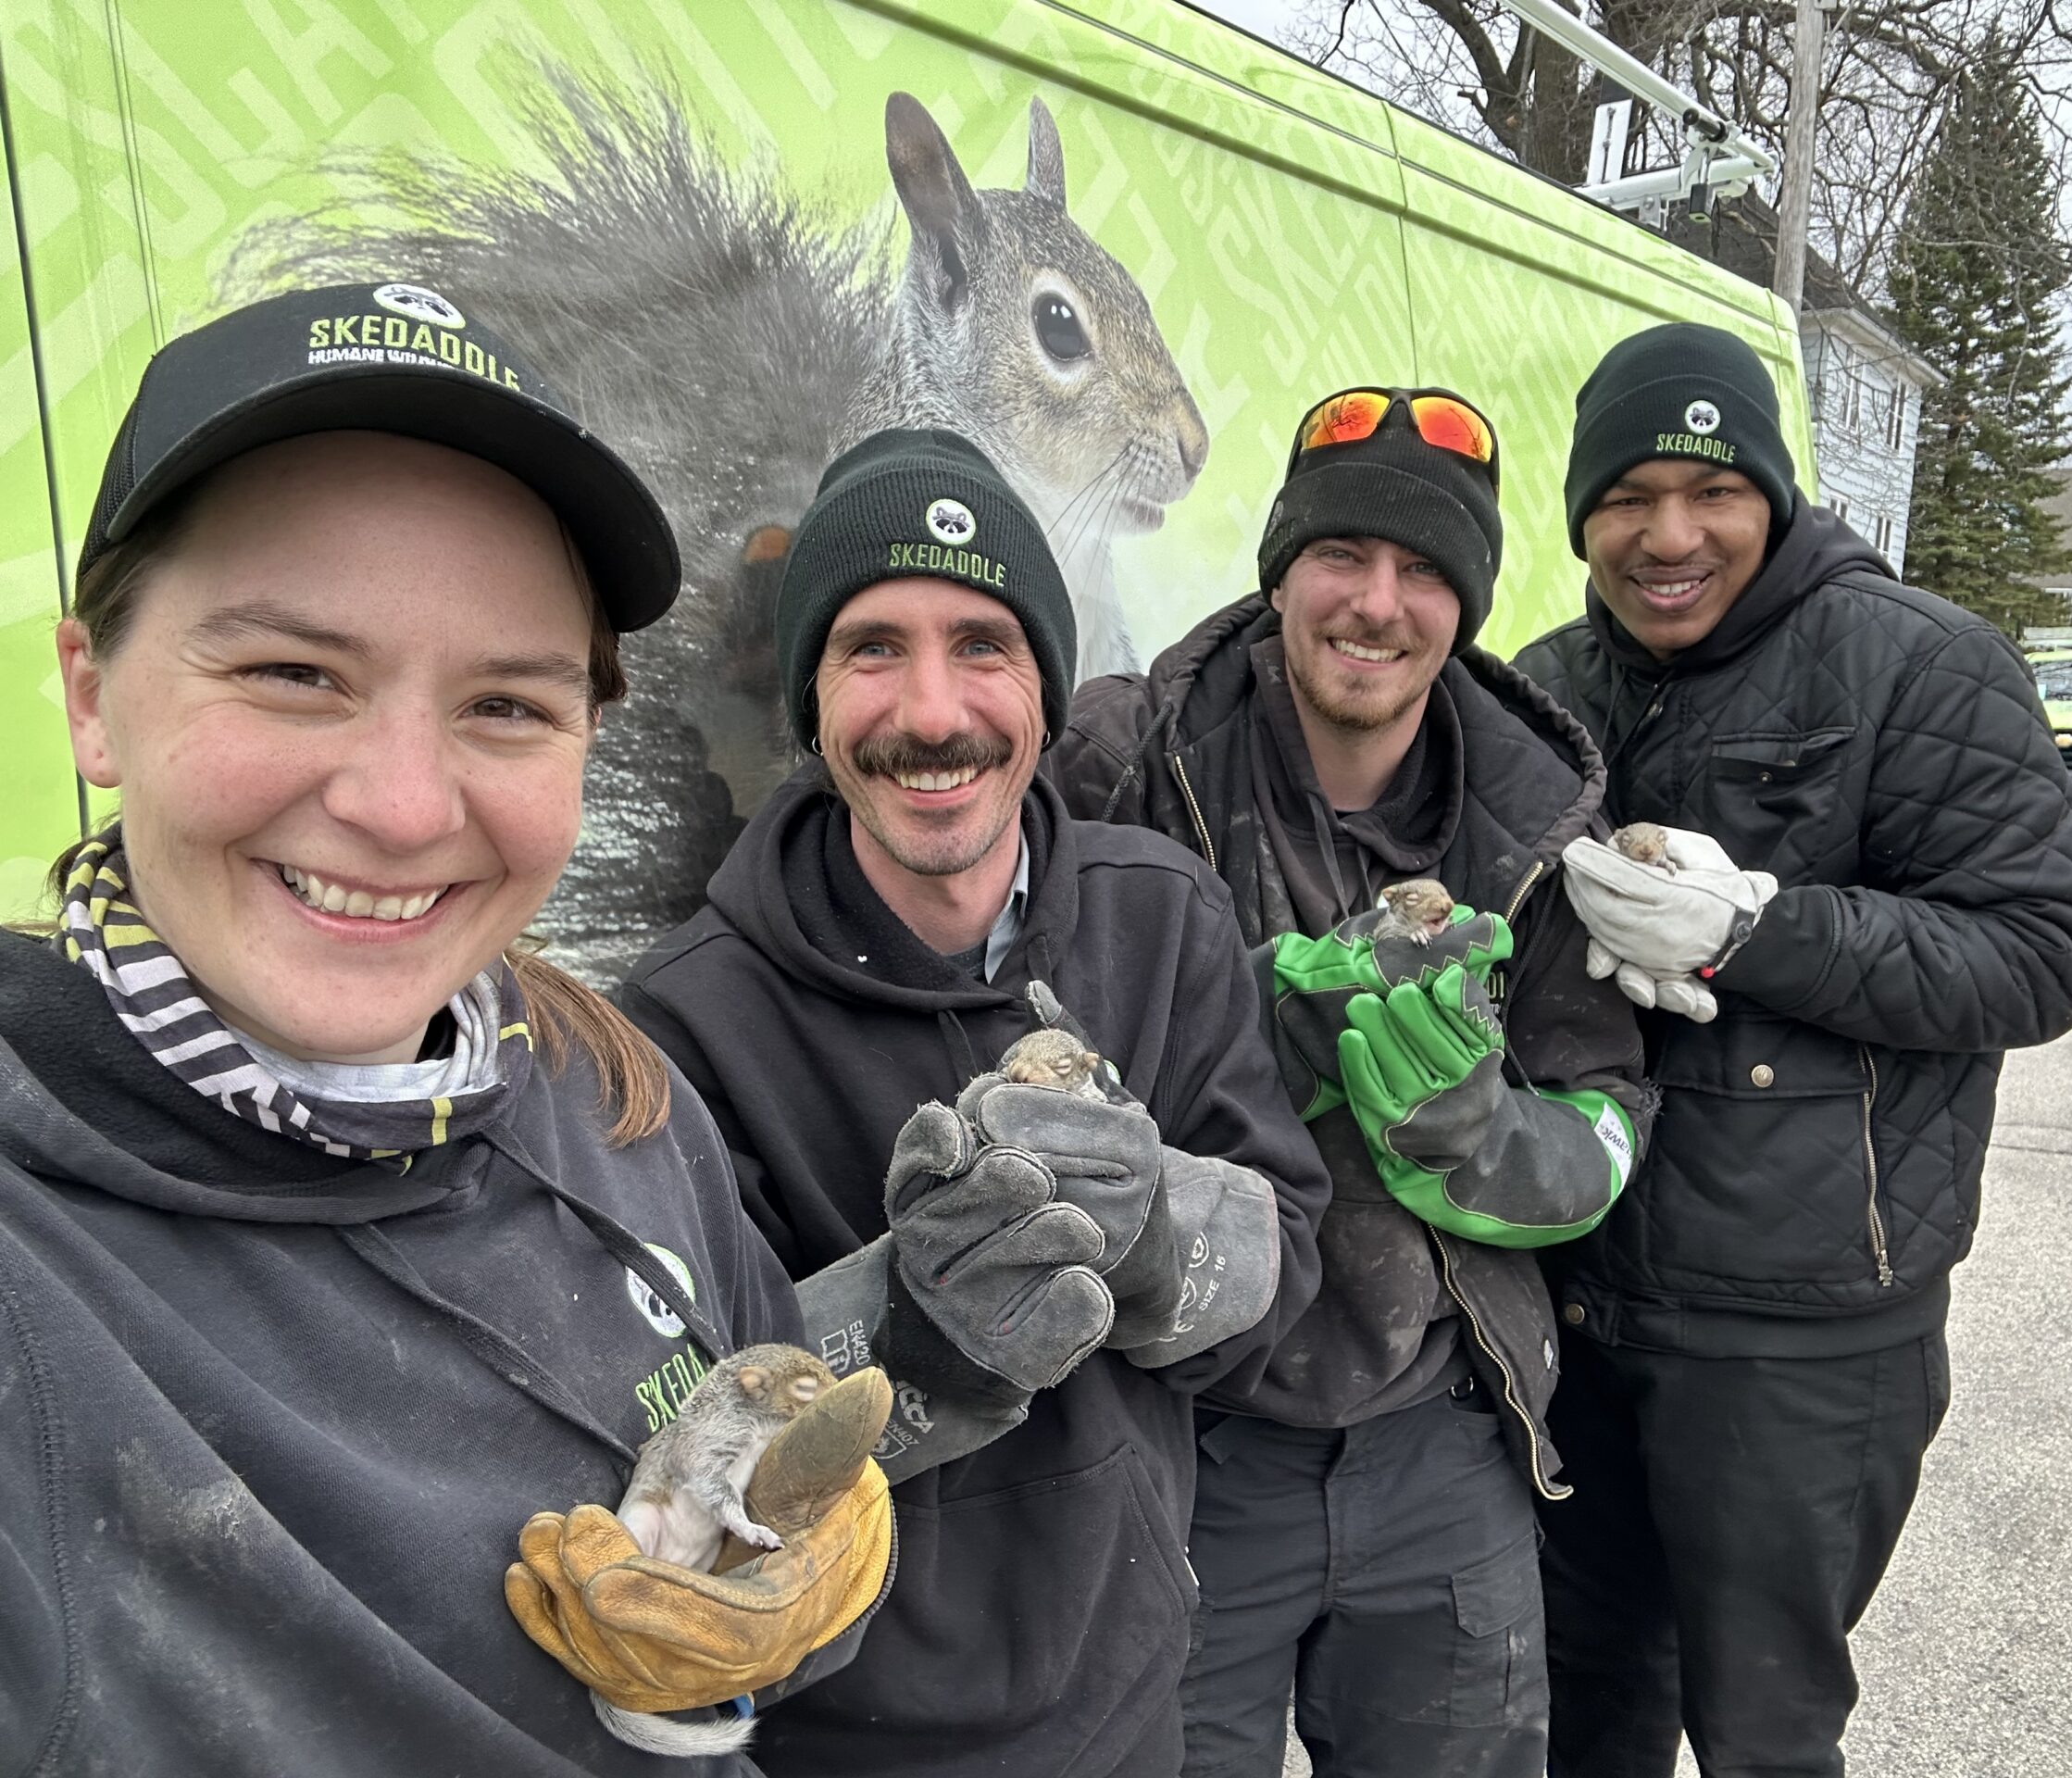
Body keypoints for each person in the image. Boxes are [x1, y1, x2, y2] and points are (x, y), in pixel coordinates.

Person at [0, 283, 892, 1775]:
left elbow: (773, 1568)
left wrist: (748, 1633)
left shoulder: (621, 1098)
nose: (405, 806)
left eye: (505, 706)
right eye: (294, 674)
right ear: (94, 697)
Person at [616, 428, 1331, 1777]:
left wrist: (1163, 1238)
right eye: (873, 646)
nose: (934, 712)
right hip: (850, 1741)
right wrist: (912, 1343)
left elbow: (1284, 1265)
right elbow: (676, 1457)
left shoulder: (1159, 917)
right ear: (810, 698)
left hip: (1130, 1702)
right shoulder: (685, 1025)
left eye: (984, 644)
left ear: (1048, 690)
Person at [1514, 322, 2072, 1777]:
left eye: (1709, 491)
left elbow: (2041, 952)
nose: (1667, 535)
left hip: (1801, 1330)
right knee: (1581, 1704)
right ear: (1583, 513)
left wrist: (1754, 930)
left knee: (1766, 1728)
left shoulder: (1919, 665)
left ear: (1774, 497)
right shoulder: (1541, 682)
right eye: (1625, 497)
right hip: (1575, 1301)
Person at [1051, 386, 1650, 1777]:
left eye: (1428, 571)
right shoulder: (1123, 760)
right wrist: (1248, 1036)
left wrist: (1489, 1145)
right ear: (1282, 568)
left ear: (1467, 607)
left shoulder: (1545, 818)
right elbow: (1012, 1048)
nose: (1378, 604)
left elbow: (1613, 1114)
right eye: (1343, 556)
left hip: (1442, 1441)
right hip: (1185, 1438)